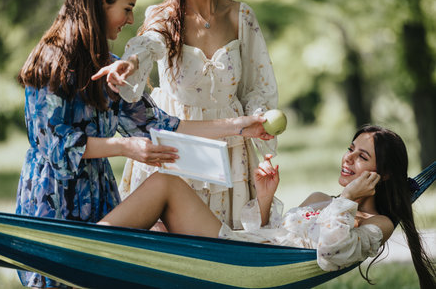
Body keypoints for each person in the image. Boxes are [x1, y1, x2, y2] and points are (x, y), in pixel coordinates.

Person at [15, 0, 272, 287]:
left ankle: (238, 270)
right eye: (126, 8)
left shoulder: (106, 65)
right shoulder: (52, 59)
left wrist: (241, 126)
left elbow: (165, 126)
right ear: (101, 1)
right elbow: (55, 146)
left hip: (97, 197)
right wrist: (124, 146)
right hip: (54, 200)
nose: (129, 19)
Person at [99, 125, 436, 287]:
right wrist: (263, 197)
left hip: (237, 264)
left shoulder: (379, 222)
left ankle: (94, 245)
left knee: (166, 184)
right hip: (242, 252)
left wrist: (348, 201)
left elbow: (331, 252)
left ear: (385, 173)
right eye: (350, 149)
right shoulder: (322, 199)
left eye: (362, 156)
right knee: (165, 184)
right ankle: (86, 245)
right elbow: (267, 241)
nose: (348, 159)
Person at [92, 0, 278, 230]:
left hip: (231, 150)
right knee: (166, 247)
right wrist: (131, 62)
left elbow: (257, 86)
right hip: (176, 147)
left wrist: (258, 115)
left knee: (223, 247)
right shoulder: (163, 15)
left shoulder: (241, 16)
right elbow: (148, 45)